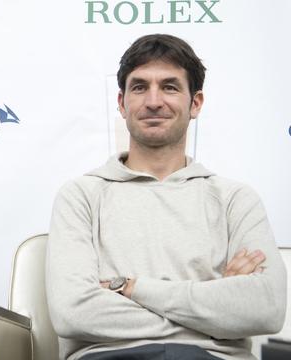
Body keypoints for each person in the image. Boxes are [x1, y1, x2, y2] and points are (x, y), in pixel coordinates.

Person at [46, 34, 286, 360]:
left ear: (195, 103)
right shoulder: (81, 196)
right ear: (121, 103)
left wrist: (131, 287)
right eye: (140, 87)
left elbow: (265, 310)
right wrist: (214, 307)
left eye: (170, 87)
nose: (154, 101)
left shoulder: (236, 200)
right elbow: (73, 312)